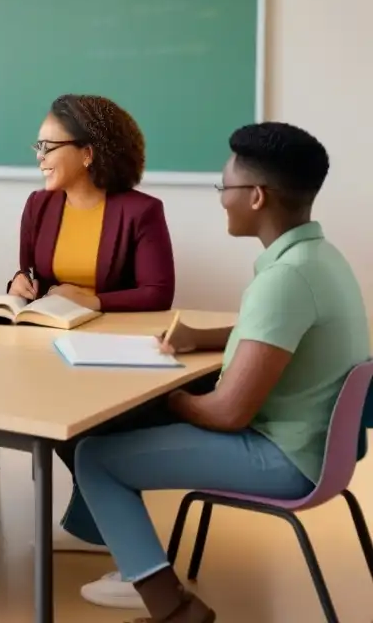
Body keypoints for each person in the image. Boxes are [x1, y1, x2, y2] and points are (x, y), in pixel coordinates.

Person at [73, 122, 369, 621]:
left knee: (96, 456)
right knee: (124, 427)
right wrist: (205, 339)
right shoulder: (319, 259)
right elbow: (277, 332)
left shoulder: (286, 279)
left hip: (286, 458)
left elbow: (229, 412)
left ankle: (173, 610)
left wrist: (162, 397)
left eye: (224, 188)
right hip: (321, 447)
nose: (220, 199)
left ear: (256, 197)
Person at [9, 94, 176, 555]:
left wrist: (95, 298)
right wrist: (19, 283)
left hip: (112, 350)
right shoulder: (39, 205)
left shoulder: (140, 210)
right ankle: (98, 524)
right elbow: (32, 273)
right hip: (51, 341)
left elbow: (158, 292)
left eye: (49, 148)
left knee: (78, 419)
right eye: (37, 147)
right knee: (37, 402)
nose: (39, 159)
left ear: (87, 152)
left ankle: (103, 523)